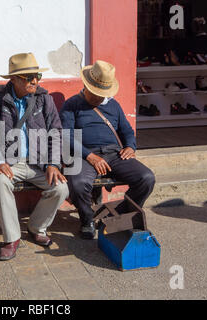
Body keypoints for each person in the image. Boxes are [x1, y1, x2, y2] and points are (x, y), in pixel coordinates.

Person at [0, 52, 69, 261]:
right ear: (13, 79)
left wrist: (53, 163)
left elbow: (55, 132)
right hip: (9, 162)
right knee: (1, 181)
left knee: (61, 187)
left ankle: (37, 226)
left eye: (37, 75)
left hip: (38, 163)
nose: (35, 81)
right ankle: (11, 238)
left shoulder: (44, 100)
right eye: (29, 77)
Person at [60, 60, 155, 239]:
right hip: (83, 155)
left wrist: (130, 146)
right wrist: (91, 156)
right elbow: (66, 136)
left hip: (114, 153)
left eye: (102, 94)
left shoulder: (113, 105)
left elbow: (126, 130)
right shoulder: (71, 105)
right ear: (86, 85)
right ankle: (87, 220)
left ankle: (122, 212)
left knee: (147, 178)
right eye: (96, 93)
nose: (99, 98)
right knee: (78, 183)